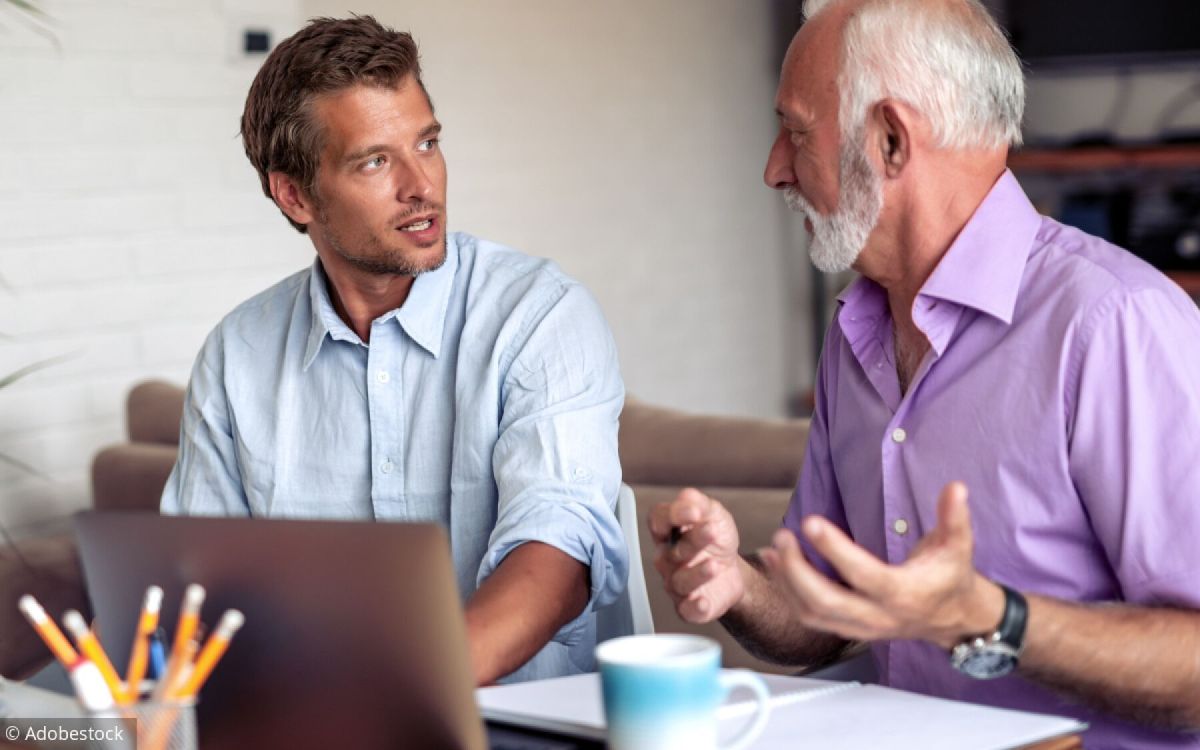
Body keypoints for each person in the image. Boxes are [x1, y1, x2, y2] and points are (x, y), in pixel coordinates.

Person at [650, 0, 1200, 746]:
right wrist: (739, 583)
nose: (774, 169)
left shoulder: (1115, 324)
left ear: (890, 140)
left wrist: (989, 618)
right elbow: (829, 612)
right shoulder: (856, 331)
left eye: (797, 132)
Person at [160, 15, 628, 686]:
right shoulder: (237, 356)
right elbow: (199, 590)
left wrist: (398, 694)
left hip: (512, 721)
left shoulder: (539, 314)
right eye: (376, 161)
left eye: (427, 143)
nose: (422, 186)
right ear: (294, 195)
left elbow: (558, 547)